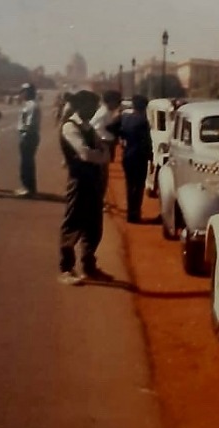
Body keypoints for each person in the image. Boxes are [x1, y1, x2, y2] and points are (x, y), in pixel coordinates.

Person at [58, 90, 111, 285]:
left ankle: (89, 265)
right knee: (73, 223)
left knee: (93, 225)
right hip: (79, 180)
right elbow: (86, 154)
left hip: (93, 180)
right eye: (92, 106)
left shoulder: (87, 127)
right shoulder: (70, 127)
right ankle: (66, 268)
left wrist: (101, 153)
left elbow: (101, 148)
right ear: (81, 107)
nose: (95, 110)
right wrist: (102, 155)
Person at [116, 94, 152, 223]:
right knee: (138, 187)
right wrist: (150, 156)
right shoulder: (143, 121)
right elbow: (147, 141)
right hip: (139, 157)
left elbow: (115, 130)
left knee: (129, 185)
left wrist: (123, 138)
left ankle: (130, 214)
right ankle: (135, 213)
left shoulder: (125, 118)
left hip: (127, 155)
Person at [90, 90, 122, 199]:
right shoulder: (103, 113)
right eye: (117, 102)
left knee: (103, 174)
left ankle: (99, 197)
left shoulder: (106, 112)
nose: (118, 105)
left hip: (105, 144)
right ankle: (99, 198)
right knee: (101, 175)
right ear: (110, 102)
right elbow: (96, 129)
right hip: (103, 145)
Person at [16, 83, 41, 196]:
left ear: (28, 92)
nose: (21, 94)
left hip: (28, 136)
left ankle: (27, 188)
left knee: (26, 163)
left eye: (23, 91)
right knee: (27, 162)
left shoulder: (31, 106)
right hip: (29, 135)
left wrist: (24, 134)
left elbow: (29, 124)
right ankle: (29, 187)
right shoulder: (30, 105)